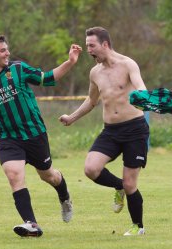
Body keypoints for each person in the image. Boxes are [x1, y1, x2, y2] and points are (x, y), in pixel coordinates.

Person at [0, 34, 82, 237]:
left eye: (7, 49)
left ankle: (64, 196)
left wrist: (70, 61)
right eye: (2, 50)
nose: (8, 53)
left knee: (48, 175)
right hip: (8, 138)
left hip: (34, 134)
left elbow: (48, 78)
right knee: (14, 175)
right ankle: (31, 223)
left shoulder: (18, 69)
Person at [58, 26, 148, 236]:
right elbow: (91, 101)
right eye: (87, 45)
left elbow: (141, 87)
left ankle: (138, 227)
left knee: (131, 182)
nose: (88, 50)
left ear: (105, 44)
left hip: (135, 130)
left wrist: (146, 97)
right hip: (111, 131)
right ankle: (119, 187)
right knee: (91, 169)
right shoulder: (95, 72)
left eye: (92, 46)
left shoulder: (127, 64)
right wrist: (71, 118)